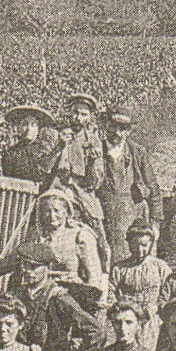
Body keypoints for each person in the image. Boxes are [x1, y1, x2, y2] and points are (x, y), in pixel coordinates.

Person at [0, 187, 107, 295]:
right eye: (47, 211)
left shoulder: (80, 235)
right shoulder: (35, 235)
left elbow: (94, 275)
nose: (52, 216)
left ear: (66, 212)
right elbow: (15, 258)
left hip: (69, 293)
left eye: (57, 211)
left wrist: (92, 300)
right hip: (38, 290)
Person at [97, 108, 163, 265]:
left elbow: (153, 188)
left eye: (123, 129)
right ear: (106, 126)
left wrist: (155, 221)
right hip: (105, 217)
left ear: (129, 131)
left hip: (133, 216)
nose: (117, 133)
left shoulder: (137, 152)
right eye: (113, 127)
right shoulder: (97, 151)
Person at [57, 91, 110, 269]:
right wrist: (59, 146)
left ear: (89, 117)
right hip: (57, 189)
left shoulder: (93, 141)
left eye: (83, 114)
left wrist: (94, 161)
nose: (78, 117)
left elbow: (95, 182)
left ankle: (102, 273)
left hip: (82, 192)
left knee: (99, 237)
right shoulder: (57, 135)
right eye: (75, 112)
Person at [110, 221, 171, 350]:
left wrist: (156, 307)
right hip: (126, 320)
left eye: (144, 245)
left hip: (151, 321)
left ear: (151, 244)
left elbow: (168, 292)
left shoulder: (160, 267)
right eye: (135, 244)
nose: (139, 249)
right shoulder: (119, 268)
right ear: (129, 244)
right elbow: (111, 292)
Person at [0, 104, 63, 184]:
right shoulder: (11, 153)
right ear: (18, 127)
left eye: (33, 125)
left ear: (38, 129)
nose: (28, 129)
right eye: (24, 124)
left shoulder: (45, 151)